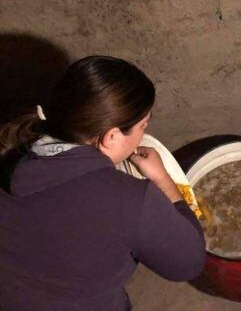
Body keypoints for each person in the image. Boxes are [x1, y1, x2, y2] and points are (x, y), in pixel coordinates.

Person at [0, 56, 206, 310]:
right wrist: (163, 179)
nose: (144, 133)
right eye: (143, 126)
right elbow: (188, 262)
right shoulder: (132, 201)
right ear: (111, 136)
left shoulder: (10, 153)